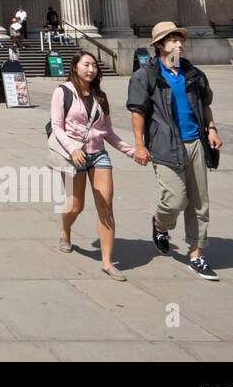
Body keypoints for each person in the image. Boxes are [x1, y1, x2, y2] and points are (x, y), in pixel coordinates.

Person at [128, 21, 223, 281]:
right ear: (159, 45)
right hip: (163, 143)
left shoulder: (193, 73)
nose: (178, 44)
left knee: (199, 202)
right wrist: (139, 145)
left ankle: (196, 254)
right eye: (171, 40)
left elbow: (205, 104)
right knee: (175, 199)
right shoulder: (145, 75)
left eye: (180, 39)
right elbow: (138, 112)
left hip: (195, 142)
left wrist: (212, 129)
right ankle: (160, 224)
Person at [50, 52, 137, 281]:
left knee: (106, 206)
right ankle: (66, 231)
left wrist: (132, 152)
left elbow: (107, 133)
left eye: (94, 65)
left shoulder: (101, 96)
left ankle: (107, 262)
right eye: (86, 64)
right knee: (76, 206)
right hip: (72, 156)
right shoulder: (62, 92)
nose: (91, 69)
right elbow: (57, 127)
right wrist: (72, 148)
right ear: (75, 66)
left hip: (98, 154)